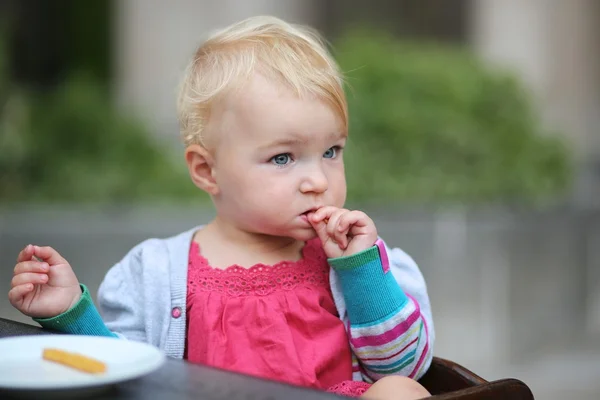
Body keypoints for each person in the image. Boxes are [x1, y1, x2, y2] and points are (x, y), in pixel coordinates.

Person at [9, 16, 434, 400]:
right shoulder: (155, 272)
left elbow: (404, 367)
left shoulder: (359, 263)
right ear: (207, 170)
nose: (319, 181)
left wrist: (360, 271)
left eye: (332, 150)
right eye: (283, 158)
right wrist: (70, 314)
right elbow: (128, 381)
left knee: (400, 392)